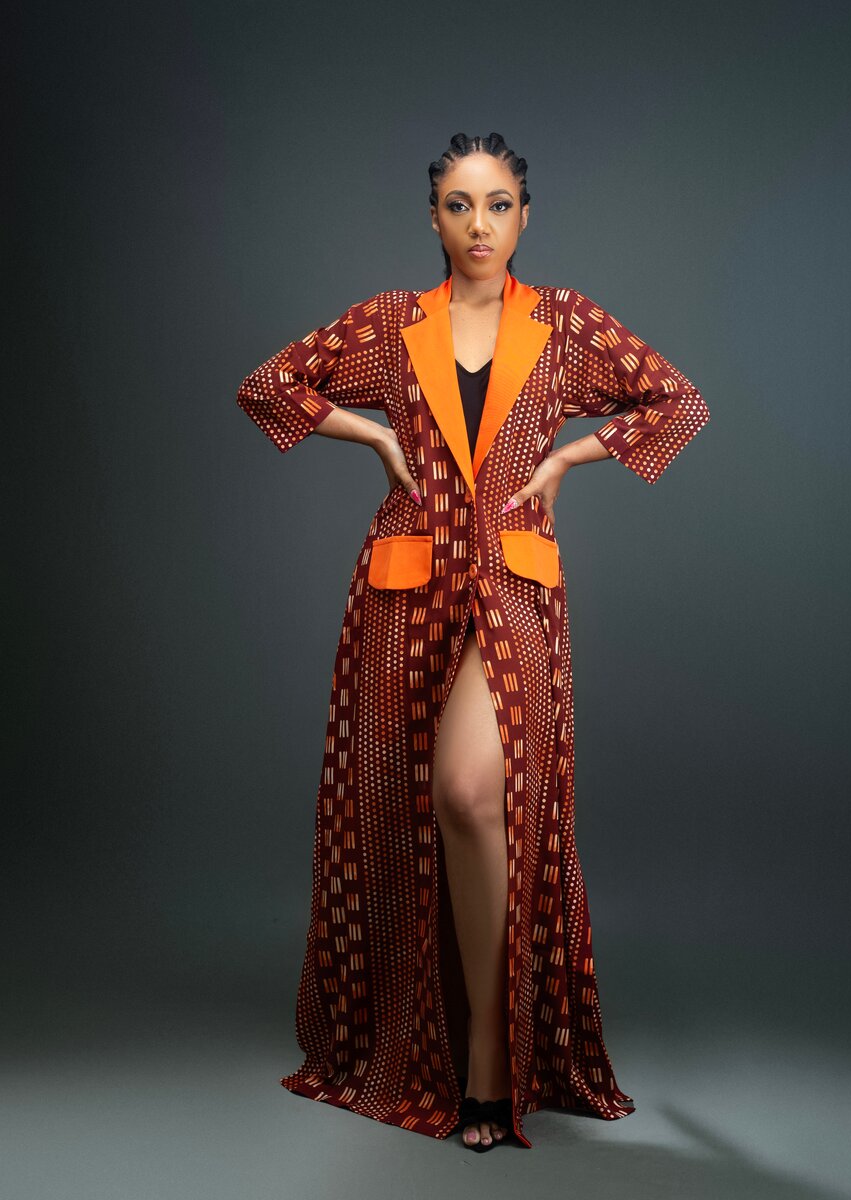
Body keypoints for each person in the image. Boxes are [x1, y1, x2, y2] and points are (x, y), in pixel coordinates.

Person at [236, 131, 710, 1153]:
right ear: (434, 218)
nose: (480, 225)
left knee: (467, 790)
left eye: (498, 204)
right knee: (406, 814)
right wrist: (370, 432)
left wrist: (572, 456)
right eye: (459, 205)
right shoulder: (390, 325)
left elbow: (678, 400)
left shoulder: (565, 324)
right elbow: (268, 385)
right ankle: (431, 1040)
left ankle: (492, 1060)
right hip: (406, 590)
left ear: (525, 215)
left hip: (513, 582)